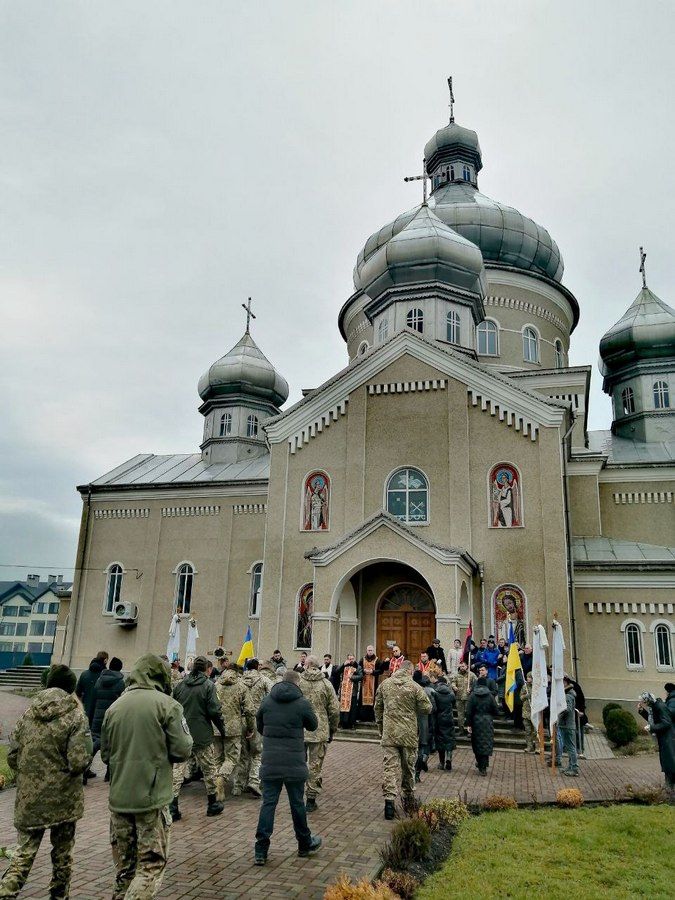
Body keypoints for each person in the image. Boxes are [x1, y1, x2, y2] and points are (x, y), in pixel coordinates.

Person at [101, 654, 193, 899]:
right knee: (150, 866)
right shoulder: (167, 705)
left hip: (119, 799)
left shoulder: (115, 707)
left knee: (125, 870)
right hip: (151, 799)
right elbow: (183, 749)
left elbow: (106, 754)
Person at [0, 664, 93, 900]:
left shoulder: (28, 714)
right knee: (62, 855)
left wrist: (31, 774)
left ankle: (6, 892)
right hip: (63, 798)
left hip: (29, 798)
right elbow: (78, 761)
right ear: (71, 687)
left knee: (23, 853)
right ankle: (59, 896)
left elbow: (12, 757)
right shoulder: (75, 716)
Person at [254, 670, 321, 865]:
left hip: (271, 762)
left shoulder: (267, 701)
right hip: (294, 763)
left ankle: (261, 850)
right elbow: (313, 725)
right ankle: (304, 843)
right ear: (297, 684)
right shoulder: (302, 703)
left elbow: (260, 726)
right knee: (297, 804)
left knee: (268, 804)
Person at [374, 659, 432, 819]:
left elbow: (377, 707)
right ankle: (408, 799)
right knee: (408, 768)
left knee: (389, 768)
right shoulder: (415, 687)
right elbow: (427, 708)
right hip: (408, 734)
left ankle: (389, 803)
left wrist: (381, 727)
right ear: (411, 671)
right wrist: (412, 708)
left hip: (390, 733)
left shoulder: (385, 684)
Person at [172, 655, 227, 818]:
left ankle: (172, 806)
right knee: (209, 769)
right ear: (207, 669)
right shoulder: (209, 686)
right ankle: (212, 803)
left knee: (177, 770)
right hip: (202, 734)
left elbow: (173, 707)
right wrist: (222, 729)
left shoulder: (180, 685)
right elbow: (214, 711)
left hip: (182, 732)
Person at [299, 655, 340, 812]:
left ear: (307, 665)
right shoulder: (325, 684)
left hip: (300, 730)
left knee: (299, 763)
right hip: (319, 730)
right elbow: (334, 710)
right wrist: (332, 729)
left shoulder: (299, 682)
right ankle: (310, 799)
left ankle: (297, 794)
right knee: (315, 766)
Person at [214, 663, 255, 799]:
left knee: (217, 758)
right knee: (232, 758)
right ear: (238, 672)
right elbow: (249, 710)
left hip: (216, 726)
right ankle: (222, 777)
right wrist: (250, 728)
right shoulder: (241, 686)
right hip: (234, 728)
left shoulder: (216, 685)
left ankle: (215, 787)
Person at [233, 659, 270, 798]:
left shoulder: (239, 680)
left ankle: (238, 785)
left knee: (242, 754)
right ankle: (254, 781)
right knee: (257, 752)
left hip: (240, 719)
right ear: (258, 667)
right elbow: (273, 693)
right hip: (256, 719)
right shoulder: (264, 679)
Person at [89, 656, 125, 781]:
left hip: (97, 717)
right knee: (112, 744)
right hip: (112, 718)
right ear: (120, 668)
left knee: (95, 742)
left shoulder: (99, 680)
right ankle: (108, 774)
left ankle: (85, 767)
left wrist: (92, 715)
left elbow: (93, 699)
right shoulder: (120, 683)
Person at [76, 649, 108, 779]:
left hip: (86, 712)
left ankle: (84, 767)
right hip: (100, 713)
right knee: (102, 741)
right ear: (105, 660)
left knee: (85, 741)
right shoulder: (104, 676)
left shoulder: (84, 674)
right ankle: (106, 772)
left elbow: (78, 693)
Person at [638, 691, 674, 792]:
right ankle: (669, 786)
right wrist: (642, 711)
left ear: (647, 700)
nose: (642, 703)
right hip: (664, 737)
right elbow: (653, 719)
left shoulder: (659, 706)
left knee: (669, 762)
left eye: (643, 701)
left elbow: (666, 722)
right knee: (667, 761)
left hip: (668, 737)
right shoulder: (654, 706)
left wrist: (652, 728)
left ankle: (669, 787)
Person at [465, 675, 499, 775]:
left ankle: (480, 764)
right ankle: (484, 765)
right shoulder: (490, 696)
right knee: (486, 742)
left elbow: (469, 711)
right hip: (487, 722)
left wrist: (469, 724)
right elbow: (496, 710)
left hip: (476, 721)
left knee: (476, 743)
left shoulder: (472, 695)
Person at [413, 671, 436, 780]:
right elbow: (433, 709)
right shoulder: (428, 691)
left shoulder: (409, 690)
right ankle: (417, 772)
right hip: (424, 722)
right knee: (423, 745)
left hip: (412, 721)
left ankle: (413, 772)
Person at [555, 676, 579, 777]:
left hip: (567, 725)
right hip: (566, 724)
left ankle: (574, 768)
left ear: (566, 683)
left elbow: (567, 709)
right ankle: (570, 766)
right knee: (569, 747)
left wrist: (559, 714)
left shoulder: (568, 695)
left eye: (563, 682)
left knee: (571, 747)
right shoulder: (569, 694)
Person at [433, 676, 457, 770]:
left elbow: (434, 707)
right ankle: (449, 758)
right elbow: (453, 704)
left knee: (440, 741)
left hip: (439, 719)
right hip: (449, 719)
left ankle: (441, 763)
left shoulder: (435, 693)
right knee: (449, 739)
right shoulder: (451, 694)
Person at [337, 655, 362, 729]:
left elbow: (360, 676)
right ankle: (343, 723)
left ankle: (352, 724)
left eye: (352, 659)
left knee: (352, 708)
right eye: (349, 659)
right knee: (343, 707)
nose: (351, 660)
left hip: (352, 691)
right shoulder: (344, 666)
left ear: (354, 659)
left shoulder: (358, 667)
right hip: (344, 691)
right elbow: (337, 671)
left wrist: (352, 677)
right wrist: (343, 664)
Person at [357, 646, 382, 721]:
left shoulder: (377, 660)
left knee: (373, 699)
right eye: (368, 650)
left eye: (371, 650)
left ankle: (371, 718)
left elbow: (381, 671)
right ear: (366, 651)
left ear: (373, 651)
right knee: (362, 700)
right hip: (364, 683)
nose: (370, 652)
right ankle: (362, 717)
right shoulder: (362, 659)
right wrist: (363, 671)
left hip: (373, 683)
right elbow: (359, 669)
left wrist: (372, 672)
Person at [451, 661, 476, 732]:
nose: (461, 668)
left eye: (463, 666)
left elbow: (476, 684)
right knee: (460, 715)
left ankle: (469, 730)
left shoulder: (471, 675)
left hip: (469, 698)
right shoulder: (456, 675)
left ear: (466, 666)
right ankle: (461, 730)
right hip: (459, 698)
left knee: (469, 714)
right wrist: (454, 687)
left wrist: (471, 688)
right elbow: (453, 682)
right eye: (460, 666)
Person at [521, 672, 536, 752]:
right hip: (526, 712)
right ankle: (529, 746)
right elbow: (521, 697)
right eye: (527, 677)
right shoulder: (525, 687)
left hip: (535, 712)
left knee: (536, 732)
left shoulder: (536, 687)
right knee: (528, 731)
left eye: (529, 677)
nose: (528, 679)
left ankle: (538, 747)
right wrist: (526, 696)